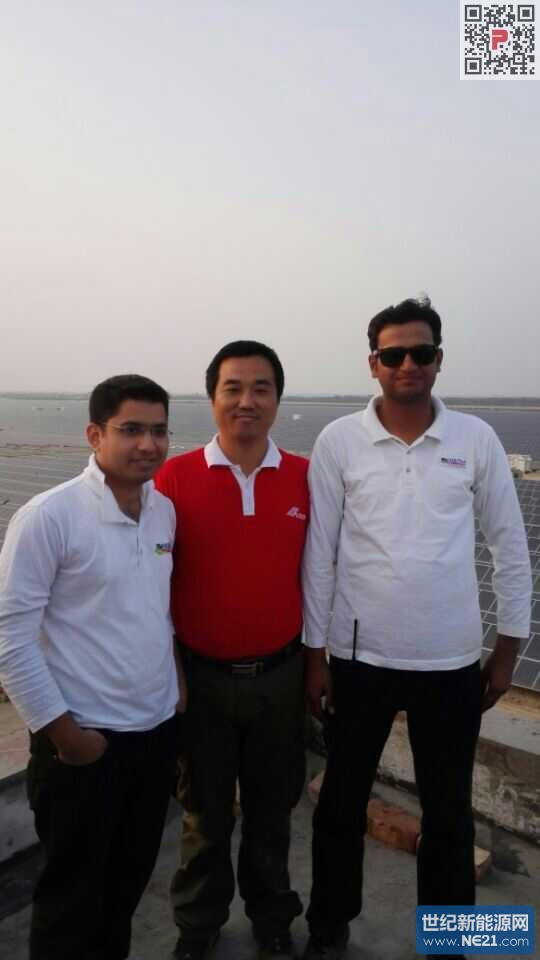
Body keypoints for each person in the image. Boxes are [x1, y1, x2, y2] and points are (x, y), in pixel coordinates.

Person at [301, 297, 532, 960]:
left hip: (450, 665)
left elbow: (508, 546)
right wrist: (315, 656)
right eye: (394, 353)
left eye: (421, 352)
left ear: (439, 360)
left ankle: (448, 943)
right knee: (340, 805)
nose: (408, 364)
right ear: (373, 363)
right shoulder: (339, 441)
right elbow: (320, 553)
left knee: (449, 815)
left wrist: (506, 651)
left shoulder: (475, 440)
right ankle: (328, 927)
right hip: (358, 660)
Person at [0, 374, 184, 960]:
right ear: (95, 434)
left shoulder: (163, 512)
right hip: (84, 746)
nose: (148, 444)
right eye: (131, 430)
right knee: (69, 905)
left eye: (159, 430)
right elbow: (10, 639)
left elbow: (156, 611)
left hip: (153, 738)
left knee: (124, 891)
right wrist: (66, 736)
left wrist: (176, 689)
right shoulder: (48, 516)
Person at [155, 340, 309, 960]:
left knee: (274, 811)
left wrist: (317, 665)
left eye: (261, 388)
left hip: (281, 676)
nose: (247, 401)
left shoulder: (305, 476)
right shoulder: (173, 478)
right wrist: (171, 670)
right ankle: (198, 927)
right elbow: (151, 583)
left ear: (277, 398)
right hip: (202, 679)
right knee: (204, 814)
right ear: (212, 397)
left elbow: (322, 574)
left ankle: (272, 919)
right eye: (233, 388)